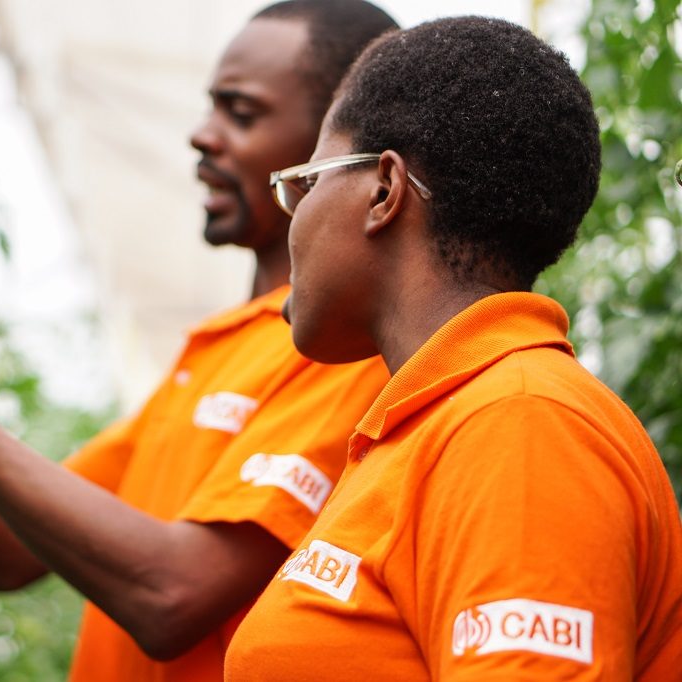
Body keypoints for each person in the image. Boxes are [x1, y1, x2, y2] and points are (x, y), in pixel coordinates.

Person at [0, 2, 397, 680]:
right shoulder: (218, 352)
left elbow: (172, 594)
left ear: (332, 142)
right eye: (211, 109)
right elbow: (7, 550)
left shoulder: (342, 350)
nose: (201, 136)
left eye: (240, 114)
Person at [223, 16, 682, 680]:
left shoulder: (521, 426)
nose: (293, 220)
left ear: (383, 190)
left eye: (305, 183)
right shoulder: (436, 425)